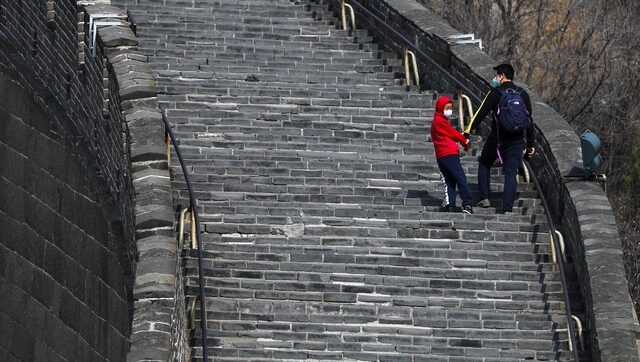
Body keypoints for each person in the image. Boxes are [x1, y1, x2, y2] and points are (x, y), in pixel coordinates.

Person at [464, 63, 536, 214]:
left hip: (497, 139)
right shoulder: (522, 93)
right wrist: (531, 143)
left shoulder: (496, 92)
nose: (495, 78)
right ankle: (507, 208)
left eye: (497, 75)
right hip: (517, 140)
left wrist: (467, 132)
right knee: (511, 172)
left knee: (484, 162)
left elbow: (480, 113)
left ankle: (484, 197)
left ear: (502, 76)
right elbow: (529, 121)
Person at [431, 95, 474, 214]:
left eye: (451, 107)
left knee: (449, 180)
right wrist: (464, 142)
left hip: (441, 155)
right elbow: (453, 134)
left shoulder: (438, 121)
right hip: (449, 154)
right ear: (441, 108)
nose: (449, 110)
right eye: (447, 108)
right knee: (460, 178)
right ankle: (467, 203)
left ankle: (451, 204)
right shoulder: (440, 121)